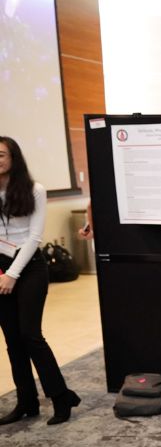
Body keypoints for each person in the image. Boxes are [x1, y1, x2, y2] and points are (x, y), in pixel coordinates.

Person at [0, 137, 81, 426]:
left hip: (30, 266)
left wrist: (12, 274)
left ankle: (61, 397)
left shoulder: (35, 190)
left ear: (13, 158)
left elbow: (34, 238)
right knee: (12, 339)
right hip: (0, 267)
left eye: (1, 155)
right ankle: (26, 402)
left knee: (30, 335)